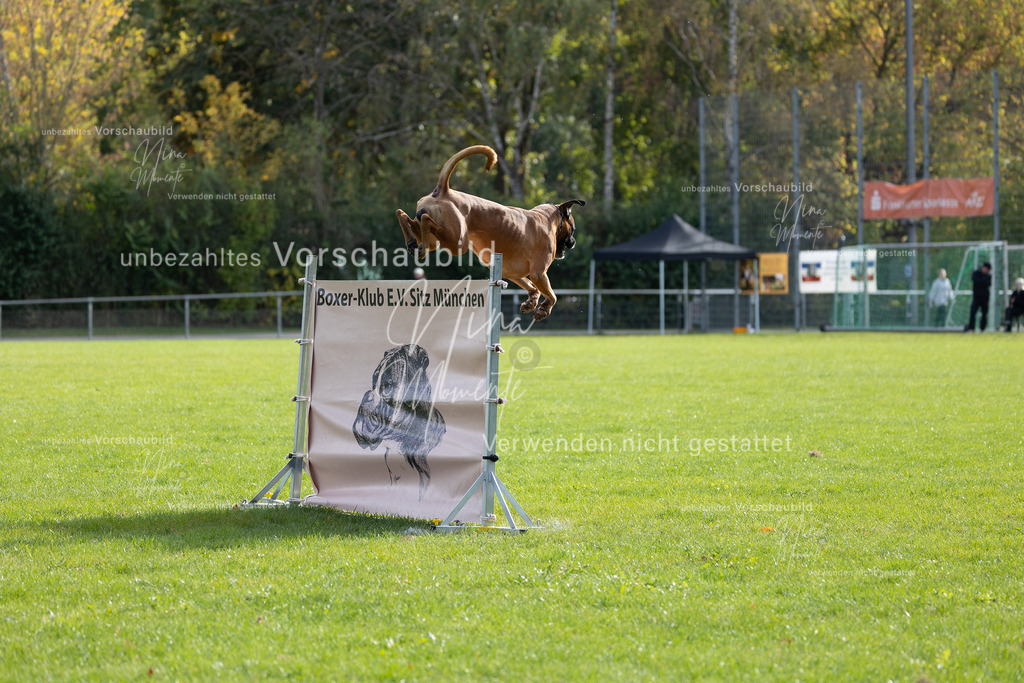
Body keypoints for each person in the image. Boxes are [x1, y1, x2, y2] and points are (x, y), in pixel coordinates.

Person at [964, 262, 992, 332]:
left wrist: (981, 282)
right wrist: (982, 282)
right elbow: (975, 280)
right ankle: (971, 328)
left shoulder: (988, 276)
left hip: (985, 297)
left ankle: (982, 328)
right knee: (973, 312)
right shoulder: (976, 273)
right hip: (976, 297)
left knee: (984, 313)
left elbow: (988, 283)